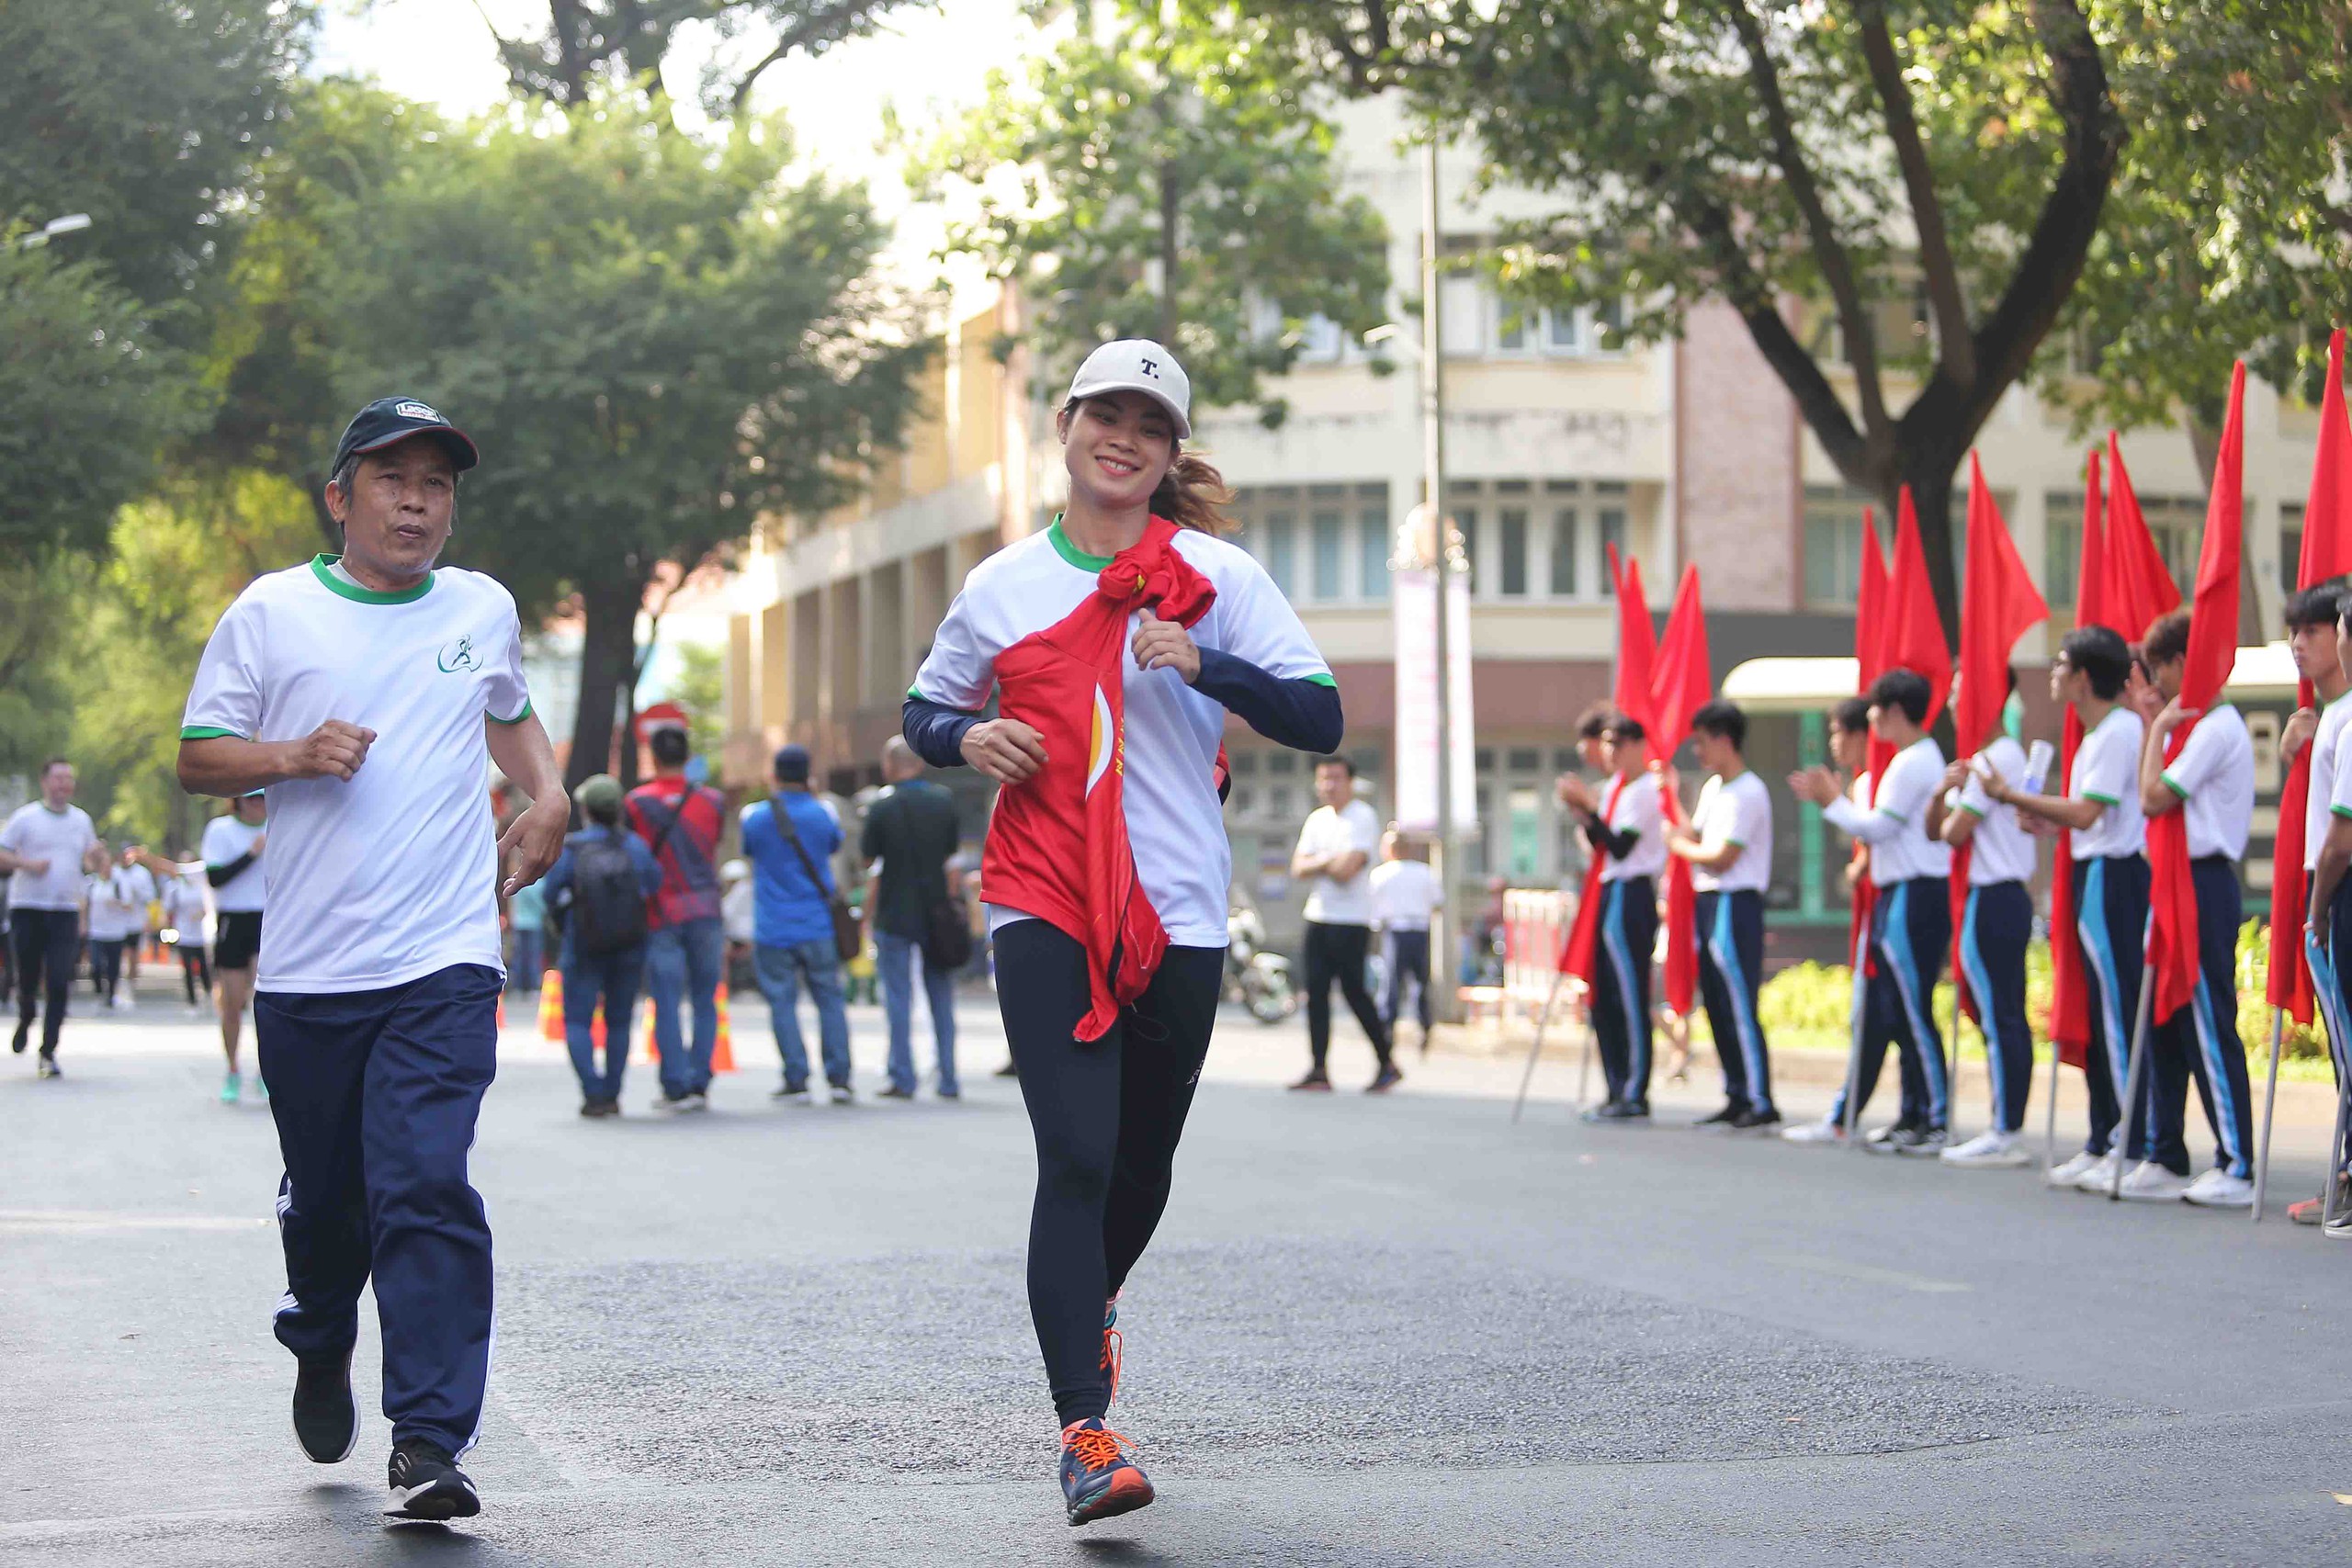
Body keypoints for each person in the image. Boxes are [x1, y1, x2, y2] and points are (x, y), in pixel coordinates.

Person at [900, 338, 1341, 1526]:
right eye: (1109, 413)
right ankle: (1085, 1429)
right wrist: (966, 740)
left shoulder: (1215, 576)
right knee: (1080, 1154)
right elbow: (925, 706)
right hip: (1043, 889)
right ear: (1067, 424)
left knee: (1142, 1166)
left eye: (1151, 424)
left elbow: (1320, 709)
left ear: (1170, 450)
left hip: (1180, 906)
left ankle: (1090, 1297)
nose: (1127, 438)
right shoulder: (1002, 586)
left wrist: (1210, 659)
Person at [176, 395, 569, 1520]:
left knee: (426, 1186)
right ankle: (318, 1327)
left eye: (436, 484)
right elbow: (202, 757)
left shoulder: (481, 606)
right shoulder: (272, 613)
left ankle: (431, 1440)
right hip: (308, 975)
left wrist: (547, 795)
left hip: (444, 956)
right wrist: (292, 753)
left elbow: (510, 711)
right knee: (331, 1208)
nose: (416, 500)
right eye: (391, 479)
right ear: (340, 498)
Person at [1982, 626, 2148, 1193]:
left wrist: (2012, 797)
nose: (2052, 674)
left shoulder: (2121, 730)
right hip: (2091, 871)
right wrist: (2041, 818)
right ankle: (2107, 1136)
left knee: (2118, 1012)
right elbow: (2081, 815)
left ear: (2082, 676)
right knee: (2099, 1009)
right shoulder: (2095, 732)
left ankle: (2135, 1141)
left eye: (2059, 665)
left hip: (2116, 876)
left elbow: (2088, 814)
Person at [2125, 609, 2257, 1205]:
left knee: (2206, 1017)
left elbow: (2153, 798)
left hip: (2203, 883)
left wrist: (2152, 731)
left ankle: (2236, 1160)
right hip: (2175, 880)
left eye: (2159, 669)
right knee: (2164, 1013)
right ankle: (2166, 1149)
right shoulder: (2193, 726)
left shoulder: (2216, 727)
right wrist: (2158, 724)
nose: (2155, 683)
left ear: (2184, 662)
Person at [1792, 669, 1954, 1154]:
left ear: (1895, 712)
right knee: (1900, 1012)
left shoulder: (1913, 761)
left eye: (1877, 711)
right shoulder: (1908, 760)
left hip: (1915, 892)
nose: (1873, 720)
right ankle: (1913, 1114)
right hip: (1898, 894)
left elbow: (1880, 828)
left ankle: (1936, 1119)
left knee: (1914, 1010)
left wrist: (1831, 802)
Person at [1931, 672, 2038, 1168]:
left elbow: (1954, 834)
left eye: (1960, 692)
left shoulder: (2000, 756)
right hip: (1985, 897)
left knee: (2003, 1015)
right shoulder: (1981, 760)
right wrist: (1942, 791)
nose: (1953, 703)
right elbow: (1938, 827)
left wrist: (1956, 795)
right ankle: (2003, 1123)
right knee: (1995, 1015)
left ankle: (2007, 1128)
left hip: (1997, 896)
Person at [1668, 700, 1778, 1130]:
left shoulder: (1749, 791)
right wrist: (1671, 796)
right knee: (1714, 1001)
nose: (1698, 751)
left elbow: (1721, 856)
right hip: (1709, 900)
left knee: (1738, 1001)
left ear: (1725, 740)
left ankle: (1760, 1097)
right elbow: (1693, 834)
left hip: (1736, 900)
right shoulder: (1714, 789)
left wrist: (1680, 849)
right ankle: (1735, 1092)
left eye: (1702, 742)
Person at [2278, 586, 2352, 1224]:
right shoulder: (2329, 714)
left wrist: (2321, 907)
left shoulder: (2347, 715)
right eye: (2293, 632)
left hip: (2337, 887)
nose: (2301, 643)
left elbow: (2341, 835)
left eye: (2316, 629)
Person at [1559, 713, 1665, 1120]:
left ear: (1638, 744)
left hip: (1633, 891)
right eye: (1606, 744)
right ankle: (1615, 1085)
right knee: (1602, 992)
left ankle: (1636, 1090)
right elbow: (1599, 841)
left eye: (1618, 743)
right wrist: (1585, 813)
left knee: (1630, 994)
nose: (1611, 752)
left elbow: (1621, 846)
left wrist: (1590, 807)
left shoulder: (1643, 791)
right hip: (1609, 888)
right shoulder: (1617, 788)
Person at [542, 774, 664, 1117]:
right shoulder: (635, 847)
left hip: (582, 944)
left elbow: (550, 893)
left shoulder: (573, 848)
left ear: (586, 810)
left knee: (578, 1021)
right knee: (619, 1021)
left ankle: (593, 1093)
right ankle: (612, 1092)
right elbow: (654, 882)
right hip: (629, 944)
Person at [742, 743, 855, 1105]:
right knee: (830, 1000)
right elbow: (833, 847)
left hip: (773, 926)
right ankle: (839, 1078)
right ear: (808, 777)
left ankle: (797, 1079)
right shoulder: (822, 814)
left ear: (774, 776)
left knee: (782, 1002)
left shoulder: (756, 818)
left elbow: (749, 854)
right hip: (818, 924)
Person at [627, 726, 729, 1105]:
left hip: (660, 911)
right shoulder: (713, 801)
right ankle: (699, 1082)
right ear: (688, 758)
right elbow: (713, 846)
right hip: (706, 910)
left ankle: (674, 1083)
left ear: (652, 757)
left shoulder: (637, 802)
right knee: (705, 999)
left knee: (666, 1000)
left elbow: (637, 854)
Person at [861, 736, 964, 1100]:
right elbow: (952, 861)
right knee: (941, 997)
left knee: (897, 997)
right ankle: (949, 1078)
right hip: (937, 912)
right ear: (919, 764)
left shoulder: (880, 807)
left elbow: (870, 861)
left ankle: (903, 1076)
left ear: (888, 766)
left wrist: (867, 914)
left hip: (894, 913)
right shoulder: (943, 802)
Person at [1289, 756, 1399, 1093]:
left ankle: (1386, 1062)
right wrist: (1327, 861)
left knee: (1354, 993)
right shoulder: (1317, 819)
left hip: (1351, 920)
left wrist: (1318, 864)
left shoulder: (1362, 817)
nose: (1329, 785)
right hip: (1318, 916)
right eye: (1323, 779)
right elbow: (1297, 867)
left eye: (1336, 778)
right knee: (1316, 994)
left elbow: (1348, 870)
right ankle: (1319, 1069)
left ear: (1350, 782)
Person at [1, 759, 107, 1074]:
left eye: (69, 779)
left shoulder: (81, 820)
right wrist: (27, 865)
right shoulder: (26, 818)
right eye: (58, 778)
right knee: (28, 977)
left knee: (60, 980)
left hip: (65, 910)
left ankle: (48, 1052)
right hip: (28, 908)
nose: (64, 784)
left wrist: (98, 856)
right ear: (45, 782)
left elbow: (90, 861)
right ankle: (26, 1015)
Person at [200, 790, 270, 1102]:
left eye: (263, 798)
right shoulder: (221, 829)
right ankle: (232, 1070)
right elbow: (214, 878)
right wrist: (251, 855)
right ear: (239, 800)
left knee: (265, 1003)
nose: (260, 804)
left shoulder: (279, 825)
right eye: (253, 798)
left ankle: (266, 1071)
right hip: (233, 920)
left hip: (268, 918)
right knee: (232, 1003)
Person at [1368, 829, 1441, 1054]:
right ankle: (1424, 1024)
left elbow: (1371, 908)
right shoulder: (1425, 872)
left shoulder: (1381, 874)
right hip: (1419, 930)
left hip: (1395, 930)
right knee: (1420, 982)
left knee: (1391, 984)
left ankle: (1387, 1030)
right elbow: (1438, 903)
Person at [86, 844, 157, 1013]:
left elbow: (146, 898)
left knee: (130, 956)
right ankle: (104, 992)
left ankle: (128, 985)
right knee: (98, 963)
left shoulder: (139, 874)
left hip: (130, 924)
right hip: (99, 929)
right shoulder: (98, 880)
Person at [160, 853, 214, 1017]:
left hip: (201, 933)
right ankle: (192, 1000)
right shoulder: (174, 887)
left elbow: (209, 905)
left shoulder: (202, 886)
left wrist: (203, 914)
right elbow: (168, 910)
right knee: (188, 968)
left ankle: (209, 995)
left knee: (204, 966)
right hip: (183, 933)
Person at [504, 879, 545, 995]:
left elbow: (513, 903)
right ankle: (532, 986)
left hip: (519, 922)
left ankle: (518, 986)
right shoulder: (539, 883)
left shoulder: (516, 882)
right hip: (534, 923)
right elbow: (542, 903)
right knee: (533, 956)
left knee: (519, 956)